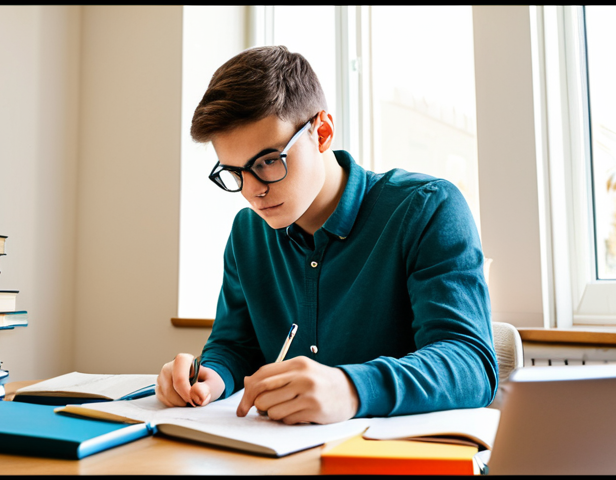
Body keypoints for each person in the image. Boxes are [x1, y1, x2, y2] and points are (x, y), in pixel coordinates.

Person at [157, 45, 498, 425]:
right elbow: (236, 344)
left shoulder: (428, 208)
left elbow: (471, 363)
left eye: (269, 162)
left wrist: (351, 388)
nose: (252, 191)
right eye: (235, 172)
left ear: (322, 133)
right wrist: (212, 376)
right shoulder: (247, 233)